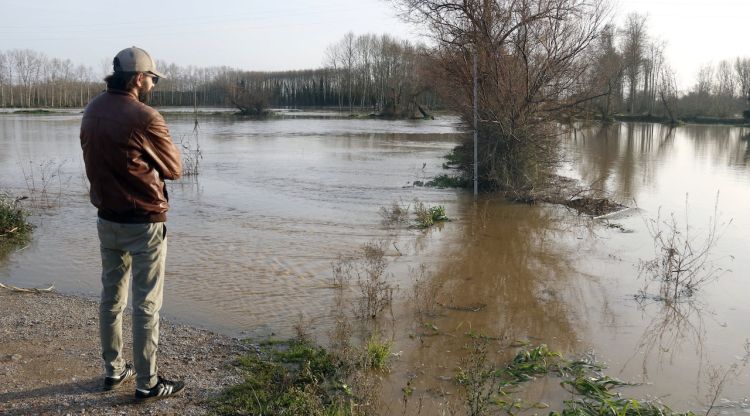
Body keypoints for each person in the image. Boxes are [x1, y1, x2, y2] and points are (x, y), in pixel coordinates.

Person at [80, 46, 184, 401]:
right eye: (152, 77)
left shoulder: (92, 109)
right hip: (144, 221)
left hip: (107, 219)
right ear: (138, 78)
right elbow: (174, 169)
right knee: (146, 304)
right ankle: (147, 382)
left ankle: (113, 371)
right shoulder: (146, 116)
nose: (154, 83)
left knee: (111, 298)